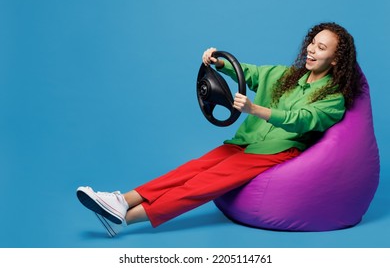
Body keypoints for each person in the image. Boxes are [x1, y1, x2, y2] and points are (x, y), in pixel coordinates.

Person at [76, 22, 361, 237]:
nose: (312, 49)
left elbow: (302, 119)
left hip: (275, 151)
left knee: (202, 184)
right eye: (312, 42)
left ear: (335, 60)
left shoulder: (332, 98)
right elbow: (250, 72)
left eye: (321, 48)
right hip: (245, 141)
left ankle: (126, 218)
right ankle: (120, 201)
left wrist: (255, 110)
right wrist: (220, 63)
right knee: (191, 170)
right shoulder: (287, 75)